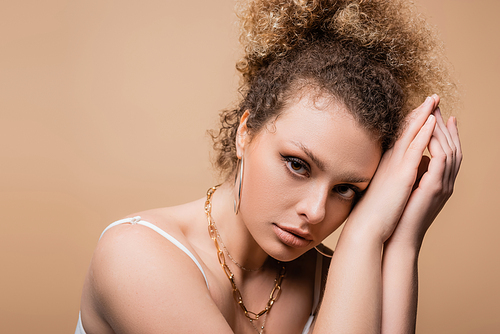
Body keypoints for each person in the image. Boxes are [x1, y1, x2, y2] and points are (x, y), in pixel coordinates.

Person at [76, 0, 462, 333]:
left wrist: (401, 241)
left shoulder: (338, 277)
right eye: (298, 164)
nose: (316, 211)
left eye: (347, 189)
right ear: (245, 133)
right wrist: (363, 237)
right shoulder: (136, 257)